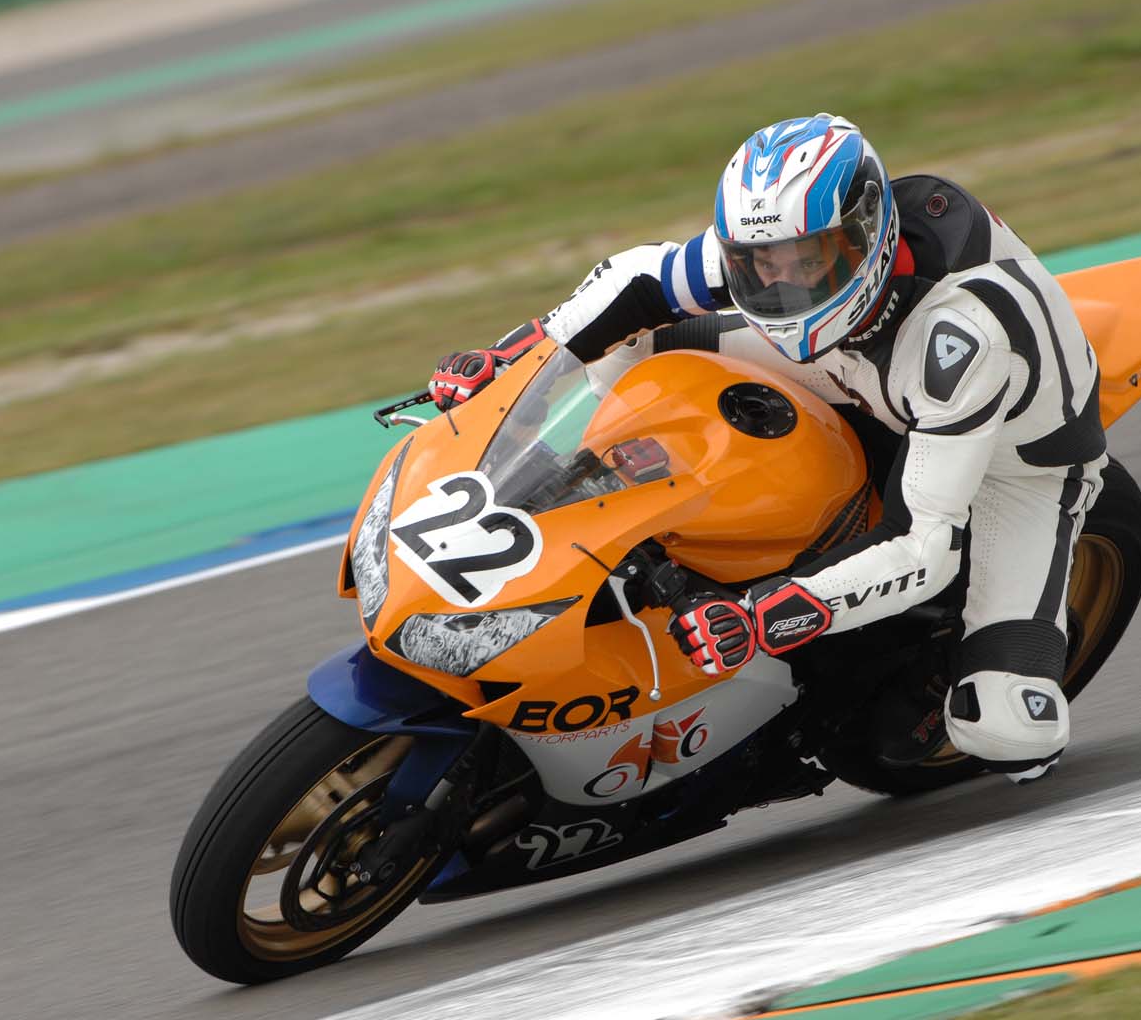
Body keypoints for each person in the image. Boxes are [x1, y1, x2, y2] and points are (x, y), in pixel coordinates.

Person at [428, 114, 1107, 783]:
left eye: (804, 262)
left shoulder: (959, 333)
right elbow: (638, 278)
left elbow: (920, 547)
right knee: (630, 347)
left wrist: (756, 620)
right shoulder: (788, 247)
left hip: (1011, 463)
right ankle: (543, 495)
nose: (780, 283)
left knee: (1007, 732)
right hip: (858, 364)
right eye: (756, 265)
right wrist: (512, 360)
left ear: (862, 236)